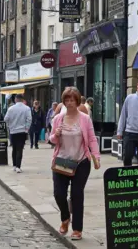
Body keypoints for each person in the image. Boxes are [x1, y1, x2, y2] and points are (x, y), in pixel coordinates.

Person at [49, 87, 101, 240]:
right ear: (63, 101)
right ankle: (65, 218)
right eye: (67, 100)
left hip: (81, 161)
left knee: (77, 194)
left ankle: (77, 229)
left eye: (72, 100)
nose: (70, 103)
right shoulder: (58, 118)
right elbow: (51, 139)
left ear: (77, 101)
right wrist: (55, 135)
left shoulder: (85, 119)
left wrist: (96, 156)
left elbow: (92, 138)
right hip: (61, 161)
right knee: (59, 194)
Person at [4, 94, 32, 173]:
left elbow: (6, 119)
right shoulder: (27, 108)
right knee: (20, 149)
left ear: (16, 99)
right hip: (22, 131)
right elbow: (29, 119)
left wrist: (9, 126)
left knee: (14, 148)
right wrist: (26, 129)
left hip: (13, 131)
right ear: (22, 100)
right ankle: (18, 166)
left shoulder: (11, 109)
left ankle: (14, 165)